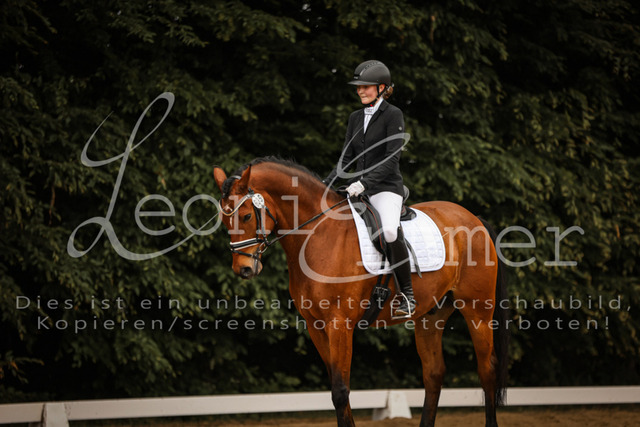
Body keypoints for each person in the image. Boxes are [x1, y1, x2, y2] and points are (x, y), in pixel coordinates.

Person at [324, 60, 415, 318]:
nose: (360, 91)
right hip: (357, 189)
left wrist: (364, 183)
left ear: (381, 88)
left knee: (389, 231)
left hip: (385, 188)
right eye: (358, 87)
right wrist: (324, 185)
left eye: (365, 86)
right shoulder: (355, 118)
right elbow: (346, 159)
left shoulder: (393, 114)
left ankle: (407, 295)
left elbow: (391, 158)